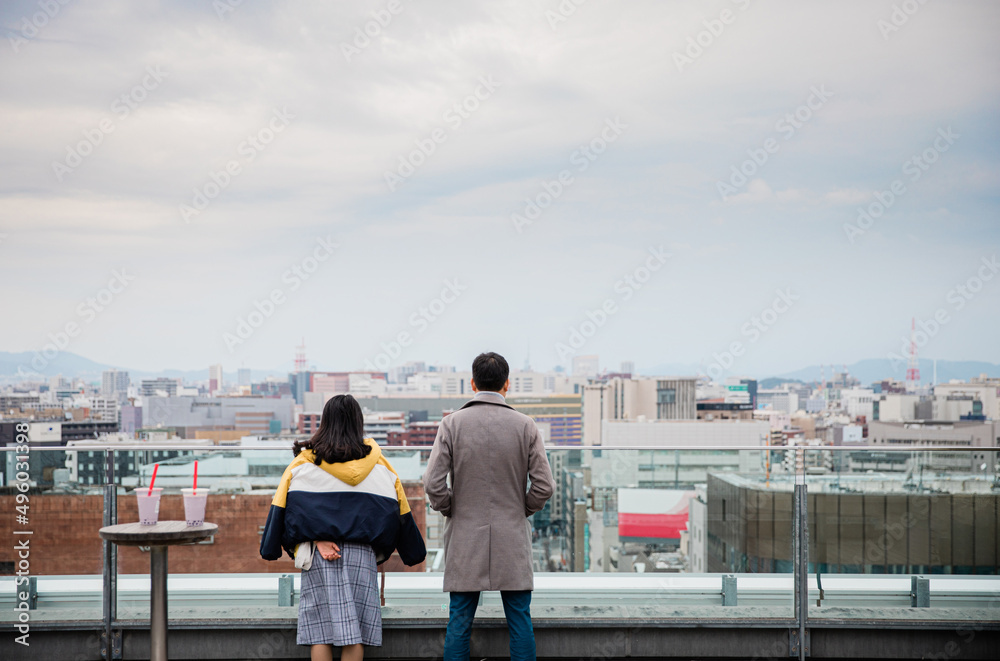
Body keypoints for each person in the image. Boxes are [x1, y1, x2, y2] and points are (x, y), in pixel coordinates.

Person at [260, 394, 426, 661]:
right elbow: (400, 514)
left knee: (320, 632)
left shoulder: (302, 464)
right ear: (358, 423)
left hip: (318, 555)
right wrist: (411, 551)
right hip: (363, 556)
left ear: (325, 422)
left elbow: (283, 513)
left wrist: (313, 540)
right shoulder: (381, 466)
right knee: (355, 632)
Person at [423, 352, 554, 661]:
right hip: (511, 534)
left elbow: (432, 483)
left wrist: (450, 508)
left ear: (472, 383)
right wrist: (522, 508)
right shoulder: (525, 425)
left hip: (466, 535)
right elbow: (545, 486)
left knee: (459, 620)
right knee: (520, 619)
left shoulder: (452, 424)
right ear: (507, 384)